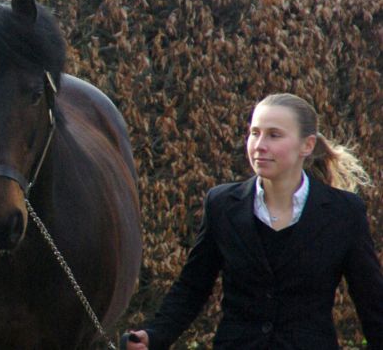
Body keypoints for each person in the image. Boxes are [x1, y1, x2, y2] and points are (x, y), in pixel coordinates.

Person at [124, 93, 383, 349]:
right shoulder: (222, 205)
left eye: (274, 135)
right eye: (254, 133)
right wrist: (154, 336)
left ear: (307, 145)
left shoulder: (343, 212)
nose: (259, 145)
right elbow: (192, 287)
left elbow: (371, 301)